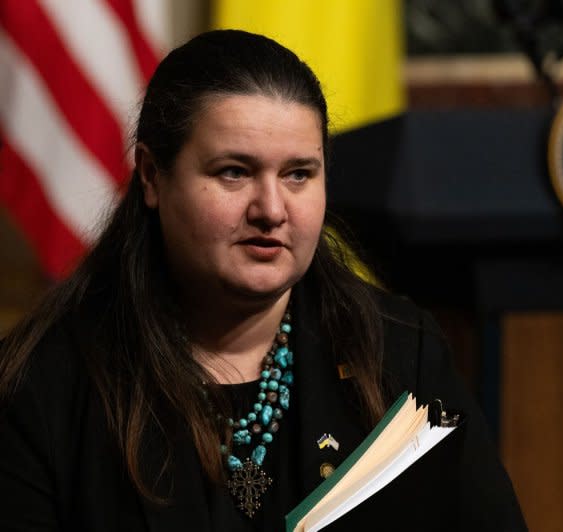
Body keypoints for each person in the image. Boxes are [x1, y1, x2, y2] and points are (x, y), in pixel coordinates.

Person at [0, 30, 525, 531]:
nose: (272, 210)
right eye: (234, 172)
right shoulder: (44, 382)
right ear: (152, 176)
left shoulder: (400, 353)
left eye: (299, 173)